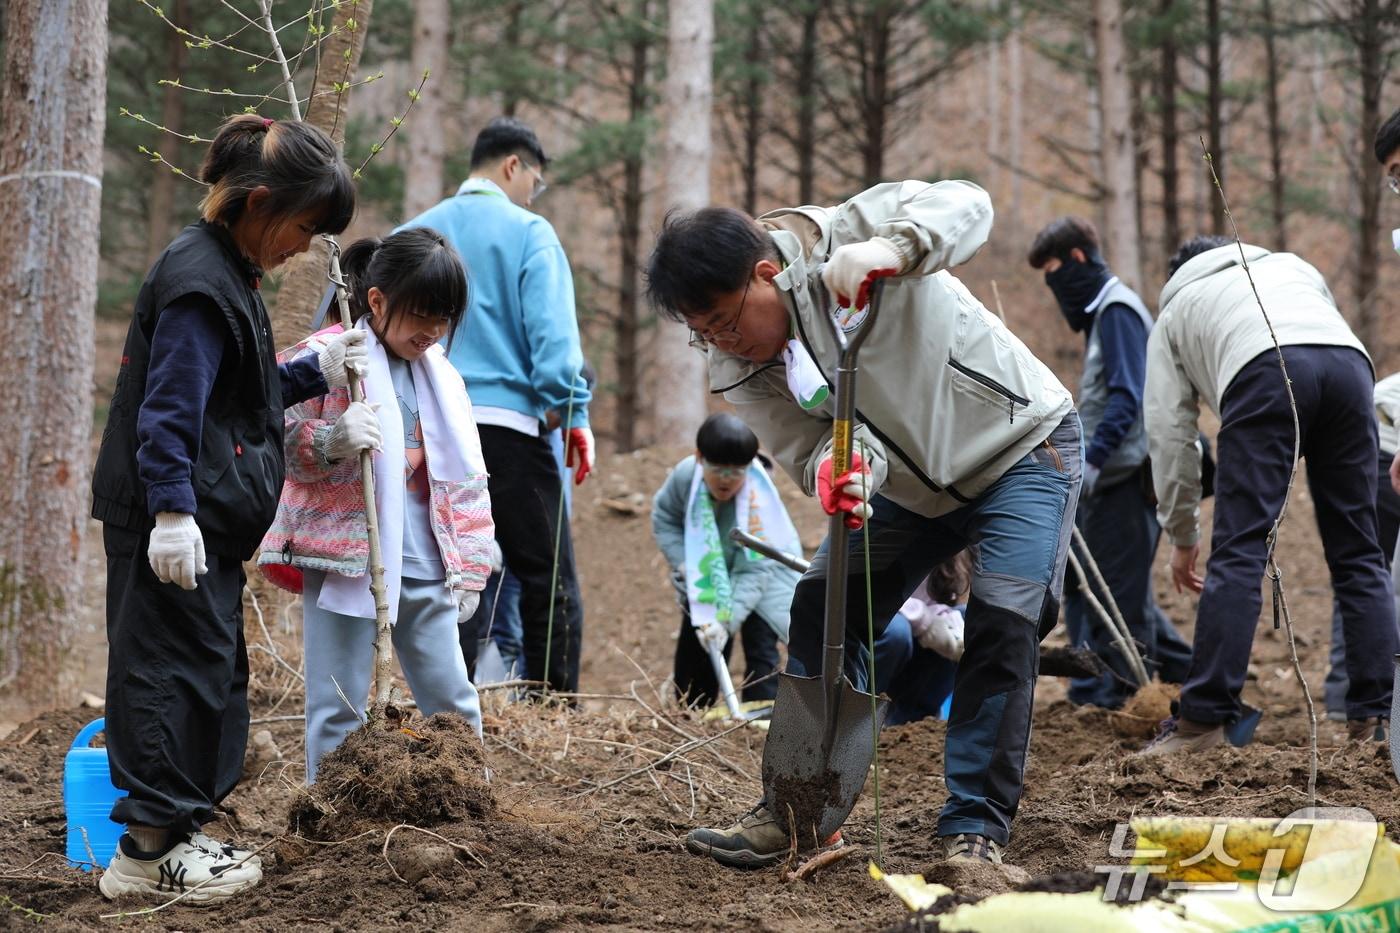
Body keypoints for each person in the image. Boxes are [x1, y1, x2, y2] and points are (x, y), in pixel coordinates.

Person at [645, 179, 1081, 868]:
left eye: (726, 321)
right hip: (911, 490)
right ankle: (798, 812)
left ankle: (974, 824)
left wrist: (892, 248)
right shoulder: (740, 365)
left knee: (1004, 616)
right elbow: (816, 442)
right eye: (703, 333)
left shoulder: (843, 234)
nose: (722, 342)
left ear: (766, 274)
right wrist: (838, 469)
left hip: (1020, 446)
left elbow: (969, 203)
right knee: (823, 603)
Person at [91, 115, 363, 901]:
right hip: (172, 524)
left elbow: (239, 394)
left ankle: (176, 834)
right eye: (305, 228)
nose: (304, 247)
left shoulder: (228, 273)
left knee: (206, 672)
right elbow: (170, 411)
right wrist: (171, 513)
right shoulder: (199, 283)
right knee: (163, 674)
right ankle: (147, 853)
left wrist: (316, 371)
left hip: (205, 522)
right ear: (260, 202)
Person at [1141, 236, 1396, 755]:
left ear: (1176, 276)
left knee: (1239, 551)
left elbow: (1170, 434)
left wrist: (1182, 532)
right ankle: (1378, 722)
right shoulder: (1293, 267)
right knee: (1360, 553)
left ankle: (1202, 723)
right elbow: (1323, 342)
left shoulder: (1175, 312)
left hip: (1264, 368)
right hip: (1351, 368)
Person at [258, 229, 495, 781]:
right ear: (377, 301)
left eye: (444, 319)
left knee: (451, 698)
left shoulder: (444, 379)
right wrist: (331, 441)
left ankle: (474, 802)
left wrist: (473, 565)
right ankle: (328, 816)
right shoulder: (330, 357)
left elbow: (468, 478)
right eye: (422, 316)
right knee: (337, 703)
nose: (433, 333)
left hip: (429, 563)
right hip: (347, 559)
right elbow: (274, 438)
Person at [400, 117, 592, 694]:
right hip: (509, 429)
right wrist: (574, 415)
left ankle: (445, 713)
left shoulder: (414, 233)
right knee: (545, 574)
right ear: (515, 166)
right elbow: (557, 354)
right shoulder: (530, 232)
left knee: (448, 573)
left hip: (429, 431)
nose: (534, 194)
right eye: (536, 180)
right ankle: (553, 711)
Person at [1027, 217, 1191, 709]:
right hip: (1108, 482)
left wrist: (1091, 464)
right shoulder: (1104, 316)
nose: (1054, 285)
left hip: (1123, 481)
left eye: (1054, 270)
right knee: (1090, 583)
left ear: (1078, 259)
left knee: (1116, 595)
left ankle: (1116, 703)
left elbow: (1127, 397)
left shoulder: (1119, 311)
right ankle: (1187, 677)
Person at [651, 414, 793, 707]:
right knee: (699, 639)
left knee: (760, 644)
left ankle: (760, 721)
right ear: (700, 458)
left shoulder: (760, 501)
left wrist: (726, 621)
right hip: (706, 568)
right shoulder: (685, 476)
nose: (726, 480)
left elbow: (755, 569)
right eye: (718, 470)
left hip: (764, 575)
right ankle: (692, 714)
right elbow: (665, 519)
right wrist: (683, 564)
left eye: (736, 472)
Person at [874, 555, 967, 725]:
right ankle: (860, 716)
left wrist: (946, 620)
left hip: (911, 659)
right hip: (873, 636)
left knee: (968, 621)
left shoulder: (944, 549)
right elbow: (867, 594)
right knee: (897, 632)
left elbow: (929, 600)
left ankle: (910, 723)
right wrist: (924, 619)